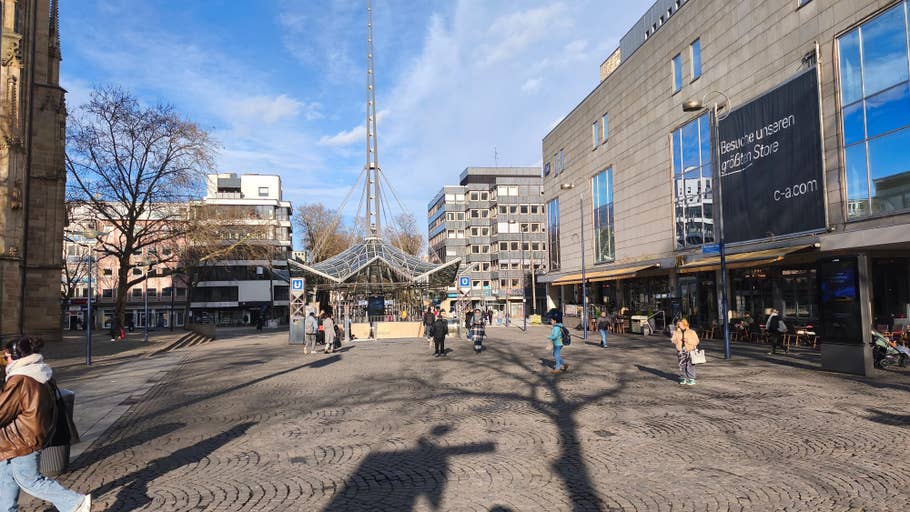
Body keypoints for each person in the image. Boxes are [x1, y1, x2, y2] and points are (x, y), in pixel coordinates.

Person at [0, 336, 91, 512]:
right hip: (18, 437)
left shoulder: (20, 379)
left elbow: (2, 410)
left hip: (21, 439)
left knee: (29, 480)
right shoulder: (39, 373)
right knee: (5, 478)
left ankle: (74, 502)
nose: (5, 361)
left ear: (16, 357)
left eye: (6, 357)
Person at [672, 319, 700, 385]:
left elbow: (696, 341)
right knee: (682, 365)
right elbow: (673, 339)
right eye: (678, 324)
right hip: (680, 350)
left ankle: (691, 378)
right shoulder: (676, 332)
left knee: (690, 365)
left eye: (681, 324)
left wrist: (688, 340)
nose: (679, 326)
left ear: (685, 324)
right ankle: (683, 377)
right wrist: (675, 341)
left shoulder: (691, 332)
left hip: (690, 350)